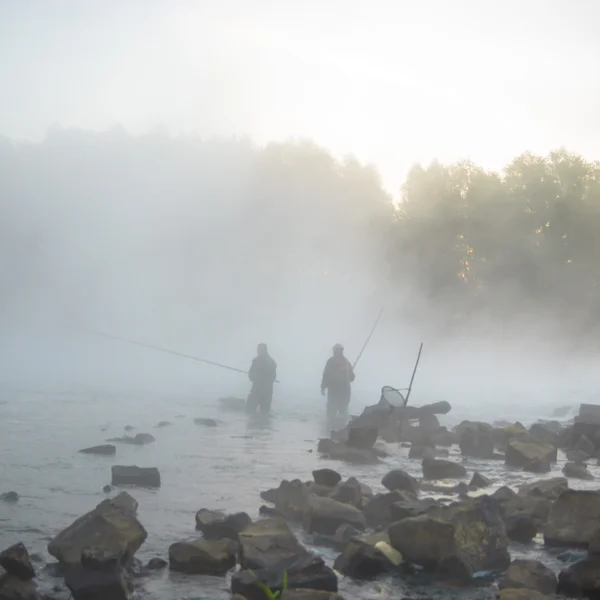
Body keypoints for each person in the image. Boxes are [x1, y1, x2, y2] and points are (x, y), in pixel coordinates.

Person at [321, 343, 355, 420]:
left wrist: (323, 387)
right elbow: (352, 378)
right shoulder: (346, 363)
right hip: (342, 391)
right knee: (340, 412)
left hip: (337, 391)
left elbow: (325, 375)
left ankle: (332, 428)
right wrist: (323, 387)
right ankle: (338, 428)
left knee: (333, 413)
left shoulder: (331, 362)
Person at [246, 343, 277, 415]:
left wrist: (256, 378)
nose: (258, 351)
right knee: (265, 413)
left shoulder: (256, 360)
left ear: (264, 350)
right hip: (268, 392)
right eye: (258, 349)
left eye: (259, 349)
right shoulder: (272, 362)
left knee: (248, 411)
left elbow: (250, 375)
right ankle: (264, 426)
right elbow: (273, 377)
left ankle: (256, 425)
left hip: (256, 390)